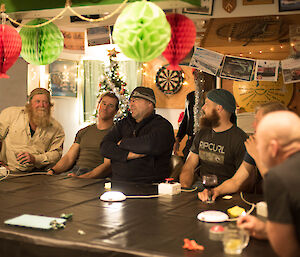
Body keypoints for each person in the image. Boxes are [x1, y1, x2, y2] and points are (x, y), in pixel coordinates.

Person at [237, 111, 300, 257]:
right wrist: (266, 229)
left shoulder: (279, 177)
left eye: (259, 145)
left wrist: (275, 232)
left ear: (273, 147)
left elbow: (287, 250)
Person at [198, 102, 287, 202]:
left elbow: (280, 190)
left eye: (258, 121)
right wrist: (216, 191)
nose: (253, 125)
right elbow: (236, 181)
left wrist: (257, 157)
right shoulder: (257, 144)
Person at [100, 86, 175, 183]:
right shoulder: (123, 123)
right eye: (130, 101)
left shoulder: (163, 126)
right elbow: (104, 147)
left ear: (149, 103)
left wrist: (122, 143)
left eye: (135, 100)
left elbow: (149, 145)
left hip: (149, 185)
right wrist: (128, 155)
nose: (130, 105)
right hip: (117, 183)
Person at [179, 88, 248, 188]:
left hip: (227, 191)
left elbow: (243, 180)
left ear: (219, 108)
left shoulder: (239, 139)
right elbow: (189, 165)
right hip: (201, 187)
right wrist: (184, 187)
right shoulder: (202, 133)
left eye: (207, 104)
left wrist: (217, 192)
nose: (203, 108)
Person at [47, 92, 119, 178]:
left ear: (116, 112)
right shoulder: (84, 131)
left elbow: (107, 166)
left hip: (94, 177)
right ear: (98, 106)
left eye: (110, 105)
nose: (105, 107)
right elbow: (69, 158)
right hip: (74, 172)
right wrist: (53, 170)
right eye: (103, 103)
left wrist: (82, 178)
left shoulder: (116, 134)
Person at [0, 88, 64, 172]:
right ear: (30, 104)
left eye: (45, 102)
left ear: (49, 106)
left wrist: (35, 159)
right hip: (8, 172)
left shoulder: (57, 128)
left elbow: (56, 153)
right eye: (37, 101)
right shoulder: (11, 114)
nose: (41, 105)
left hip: (36, 174)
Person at [173, 91, 196, 160]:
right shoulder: (191, 96)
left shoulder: (216, 97)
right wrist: (177, 139)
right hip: (191, 141)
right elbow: (186, 118)